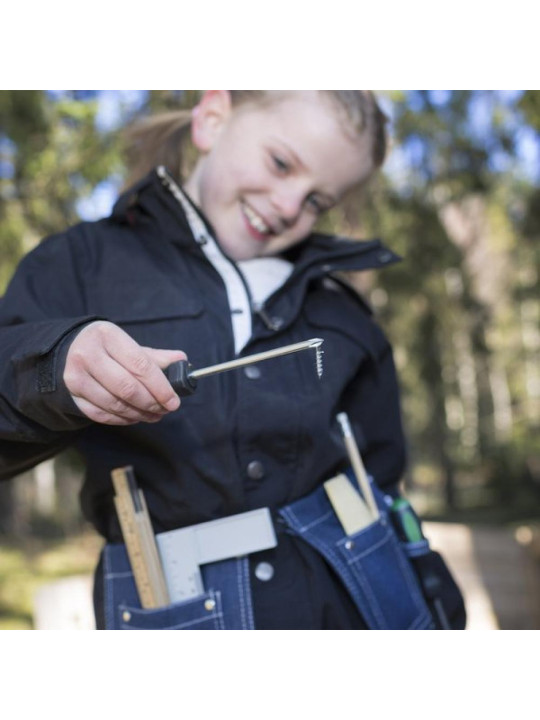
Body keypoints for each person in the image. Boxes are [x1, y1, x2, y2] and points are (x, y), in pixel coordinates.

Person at [0, 90, 465, 629]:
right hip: (173, 605)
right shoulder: (81, 264)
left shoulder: (342, 310)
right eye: (281, 163)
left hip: (356, 602)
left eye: (318, 201)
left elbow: (383, 480)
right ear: (212, 118)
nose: (290, 206)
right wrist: (52, 370)